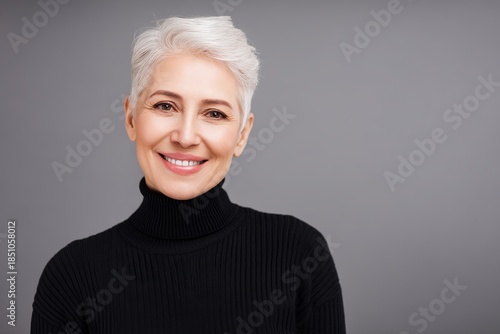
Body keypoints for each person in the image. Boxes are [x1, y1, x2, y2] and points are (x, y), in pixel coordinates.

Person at [30, 16, 346, 333]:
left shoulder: (300, 254)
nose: (185, 136)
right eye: (166, 106)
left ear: (241, 135)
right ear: (130, 118)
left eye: (214, 113)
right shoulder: (71, 276)